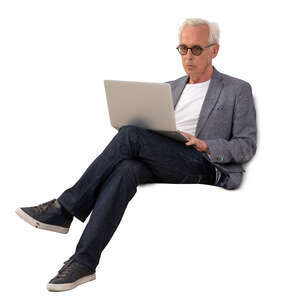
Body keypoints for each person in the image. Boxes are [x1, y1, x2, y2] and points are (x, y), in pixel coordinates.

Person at [15, 18, 257, 292]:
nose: (188, 56)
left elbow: (246, 145)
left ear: (214, 50)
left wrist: (206, 145)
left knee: (131, 134)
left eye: (197, 49)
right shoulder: (170, 87)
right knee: (126, 170)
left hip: (205, 163)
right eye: (183, 48)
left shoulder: (237, 89)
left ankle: (64, 209)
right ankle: (84, 262)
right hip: (165, 158)